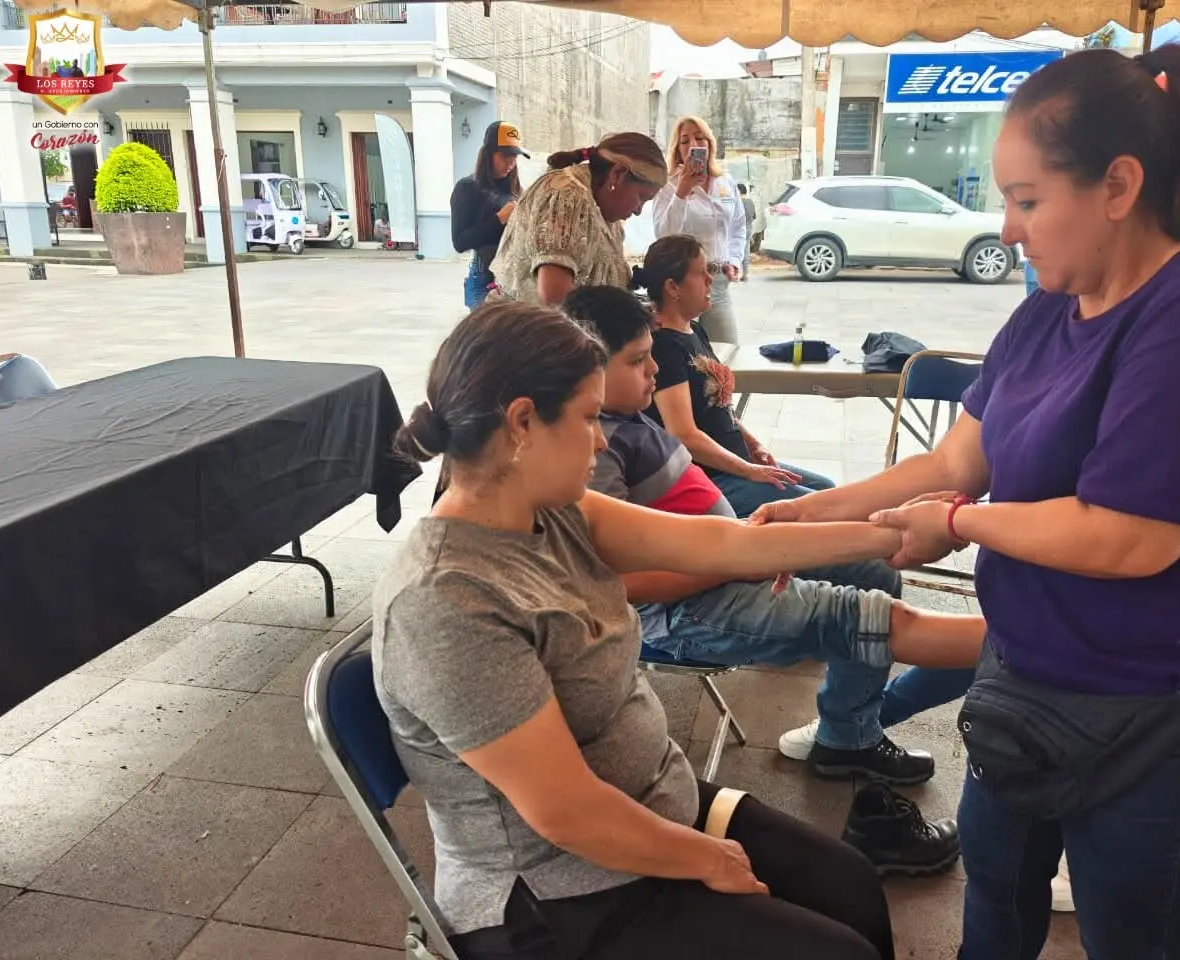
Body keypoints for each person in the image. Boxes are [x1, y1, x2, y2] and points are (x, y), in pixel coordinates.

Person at [752, 44, 1180, 960]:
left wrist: (956, 525)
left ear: (1118, 184)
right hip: (1026, 685)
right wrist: (819, 512)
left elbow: (1132, 538)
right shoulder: (1048, 310)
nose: (1009, 228)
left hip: (1158, 718)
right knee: (992, 901)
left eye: (1028, 200)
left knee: (1132, 940)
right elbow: (963, 454)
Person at [374, 300, 907, 959]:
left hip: (649, 805)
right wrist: (708, 860)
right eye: (590, 417)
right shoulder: (444, 602)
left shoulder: (553, 512)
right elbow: (566, 812)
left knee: (849, 884)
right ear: (521, 424)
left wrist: (894, 533)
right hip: (558, 892)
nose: (602, 440)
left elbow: (722, 546)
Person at [563, 285, 980, 864]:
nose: (655, 369)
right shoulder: (594, 450)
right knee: (865, 615)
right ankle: (1016, 650)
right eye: (638, 360)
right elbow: (619, 588)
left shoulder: (626, 418)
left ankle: (847, 734)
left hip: (729, 564)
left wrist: (895, 527)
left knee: (872, 570)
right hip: (688, 608)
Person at [635, 234, 835, 518]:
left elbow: (718, 408)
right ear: (672, 287)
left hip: (734, 464)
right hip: (710, 477)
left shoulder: (694, 331)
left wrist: (753, 445)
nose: (710, 280)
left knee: (828, 490)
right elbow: (684, 434)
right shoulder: (665, 346)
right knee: (821, 508)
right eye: (701, 273)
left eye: (710, 272)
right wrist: (749, 470)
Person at [489, 132, 666, 306]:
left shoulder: (605, 213)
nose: (638, 211)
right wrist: (629, 317)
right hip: (522, 329)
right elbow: (555, 297)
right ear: (617, 174)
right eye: (642, 197)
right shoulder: (566, 196)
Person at [652, 116, 746, 343]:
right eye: (685, 141)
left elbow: (738, 226)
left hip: (718, 282)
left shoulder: (725, 182)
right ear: (678, 149)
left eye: (699, 137)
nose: (693, 144)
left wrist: (734, 260)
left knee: (727, 353)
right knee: (688, 356)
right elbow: (663, 236)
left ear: (709, 144)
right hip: (682, 286)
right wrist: (682, 192)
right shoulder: (667, 185)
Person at [450, 120, 526, 309]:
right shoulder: (467, 188)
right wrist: (499, 219)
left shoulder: (515, 189)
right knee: (487, 337)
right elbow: (460, 242)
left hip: (514, 277)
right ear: (488, 154)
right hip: (485, 277)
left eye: (515, 157)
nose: (511, 162)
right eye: (505, 156)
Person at [739, 184, 756, 281]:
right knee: (746, 251)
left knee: (738, 251)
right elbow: (754, 217)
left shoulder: (739, 202)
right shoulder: (751, 202)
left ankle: (735, 272)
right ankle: (745, 275)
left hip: (740, 230)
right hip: (749, 229)